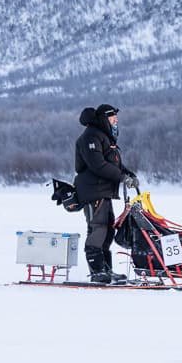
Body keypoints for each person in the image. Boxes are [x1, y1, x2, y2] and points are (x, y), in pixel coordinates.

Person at [73, 103, 137, 284]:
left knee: (108, 229)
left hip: (104, 191)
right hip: (93, 190)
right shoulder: (90, 137)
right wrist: (122, 177)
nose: (116, 120)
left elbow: (112, 164)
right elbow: (98, 165)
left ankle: (106, 270)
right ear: (103, 119)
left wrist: (128, 174)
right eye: (112, 117)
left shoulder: (104, 137)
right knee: (98, 228)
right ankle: (97, 271)